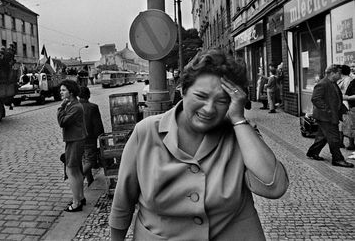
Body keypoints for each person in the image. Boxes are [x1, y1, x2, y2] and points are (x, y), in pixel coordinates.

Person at [109, 49, 289, 240]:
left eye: (222, 100)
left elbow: (274, 186)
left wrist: (238, 119)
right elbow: (123, 202)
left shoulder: (239, 134)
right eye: (201, 96)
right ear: (182, 91)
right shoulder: (146, 132)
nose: (209, 109)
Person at [306, 65, 354, 168]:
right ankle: (337, 159)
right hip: (326, 117)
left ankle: (312, 152)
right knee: (334, 138)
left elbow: (337, 100)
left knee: (322, 137)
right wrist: (328, 111)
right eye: (339, 73)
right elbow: (316, 99)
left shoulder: (333, 83)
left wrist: (345, 112)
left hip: (329, 116)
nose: (340, 75)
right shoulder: (322, 84)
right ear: (332, 73)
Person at [57, 79, 87, 212]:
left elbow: (62, 122)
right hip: (74, 139)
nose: (61, 92)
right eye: (61, 90)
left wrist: (60, 107)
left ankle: (76, 203)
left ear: (71, 92)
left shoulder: (75, 106)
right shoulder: (73, 104)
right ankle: (80, 197)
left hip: (75, 140)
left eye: (63, 90)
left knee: (71, 170)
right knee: (76, 171)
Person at [78, 86, 104, 187]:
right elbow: (97, 125)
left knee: (84, 159)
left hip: (76, 139)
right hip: (89, 138)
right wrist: (101, 137)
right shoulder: (93, 107)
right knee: (91, 160)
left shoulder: (73, 106)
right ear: (88, 95)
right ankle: (78, 178)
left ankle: (90, 180)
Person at [338, 64, 352, 148]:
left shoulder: (347, 80)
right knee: (342, 123)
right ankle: (341, 141)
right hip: (342, 102)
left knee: (347, 122)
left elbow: (347, 92)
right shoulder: (342, 79)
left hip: (346, 102)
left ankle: (351, 143)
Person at [343, 78, 355, 150]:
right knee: (351, 126)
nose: (353, 68)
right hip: (351, 107)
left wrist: (347, 97)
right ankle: (351, 144)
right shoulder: (353, 81)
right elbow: (346, 94)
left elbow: (346, 96)